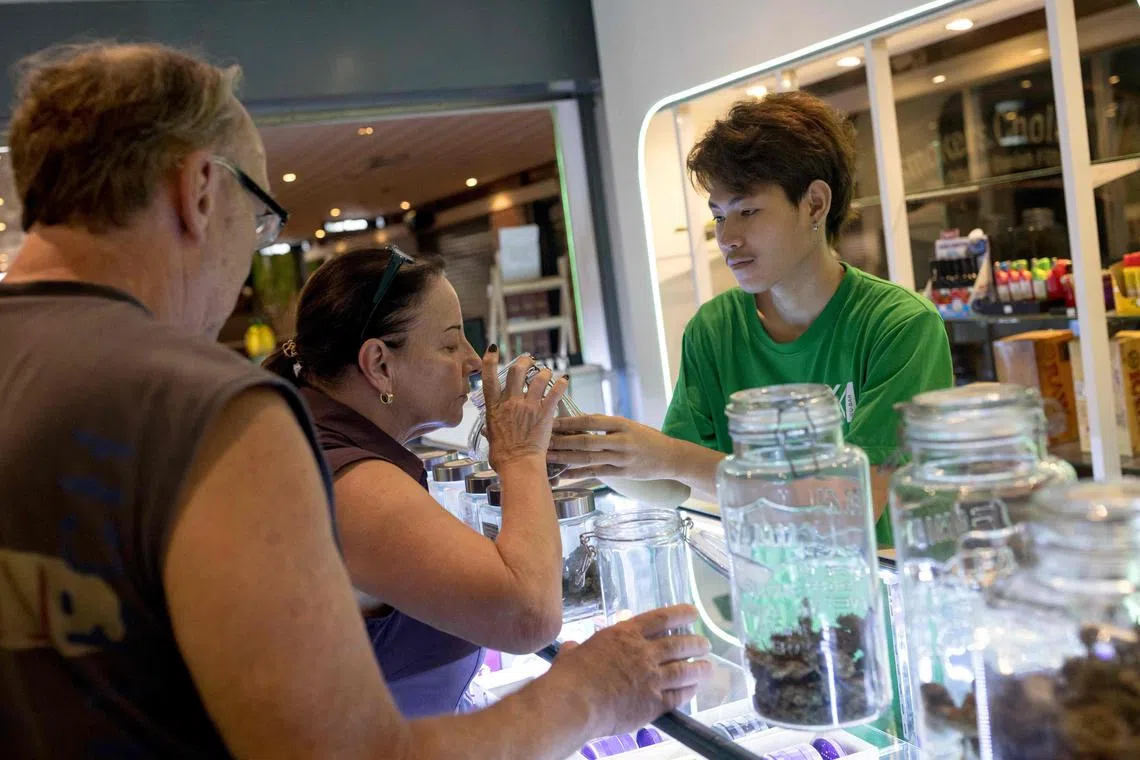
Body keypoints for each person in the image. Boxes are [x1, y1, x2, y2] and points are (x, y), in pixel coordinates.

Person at [0, 42, 711, 759]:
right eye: (260, 222)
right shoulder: (211, 412)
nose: (249, 252)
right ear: (202, 190)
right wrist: (587, 695)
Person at [549, 92, 954, 545]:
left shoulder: (900, 327)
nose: (728, 239)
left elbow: (850, 506)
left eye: (747, 211)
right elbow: (671, 485)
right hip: (772, 585)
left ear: (815, 205)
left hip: (889, 585)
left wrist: (672, 456)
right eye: (719, 216)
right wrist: (585, 448)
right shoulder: (714, 329)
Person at [261, 247, 569, 718]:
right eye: (449, 345)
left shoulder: (315, 435)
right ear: (379, 364)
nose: (471, 361)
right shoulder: (347, 481)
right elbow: (529, 616)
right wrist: (522, 455)